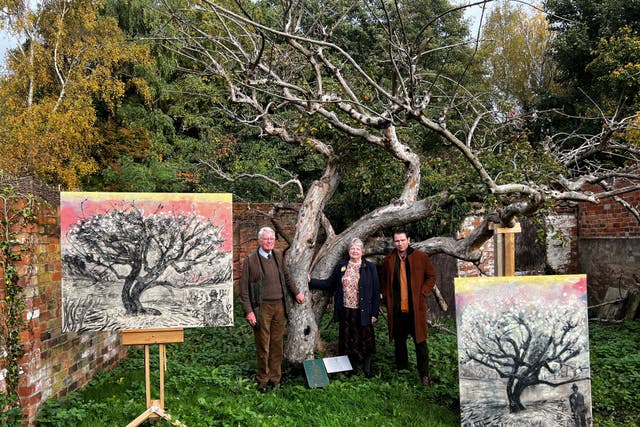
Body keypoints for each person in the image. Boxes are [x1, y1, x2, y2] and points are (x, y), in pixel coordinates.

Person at [239, 227, 305, 392]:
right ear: (259, 241)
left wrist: (296, 292)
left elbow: (287, 276)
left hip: (279, 307)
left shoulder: (277, 256)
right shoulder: (250, 260)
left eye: (272, 239)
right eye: (266, 239)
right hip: (261, 308)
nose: (269, 242)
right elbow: (243, 289)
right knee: (263, 344)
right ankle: (263, 379)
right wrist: (249, 311)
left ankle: (275, 378)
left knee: (277, 344)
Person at [309, 238, 380, 377]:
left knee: (366, 339)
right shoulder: (342, 265)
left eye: (357, 249)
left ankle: (367, 369)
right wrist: (311, 281)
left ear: (362, 251)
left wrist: (374, 313)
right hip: (346, 310)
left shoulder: (369, 267)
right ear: (349, 251)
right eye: (352, 249)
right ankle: (351, 368)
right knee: (349, 340)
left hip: (363, 310)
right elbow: (330, 283)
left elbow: (376, 292)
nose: (354, 251)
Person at [381, 229, 437, 386]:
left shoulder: (420, 257)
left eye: (402, 240)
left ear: (409, 240)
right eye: (397, 241)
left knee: (420, 343)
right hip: (397, 310)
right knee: (400, 342)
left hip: (415, 309)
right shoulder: (389, 260)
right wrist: (386, 298)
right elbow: (383, 282)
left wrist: (423, 293)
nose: (400, 244)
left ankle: (424, 375)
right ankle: (402, 371)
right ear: (394, 242)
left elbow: (431, 276)